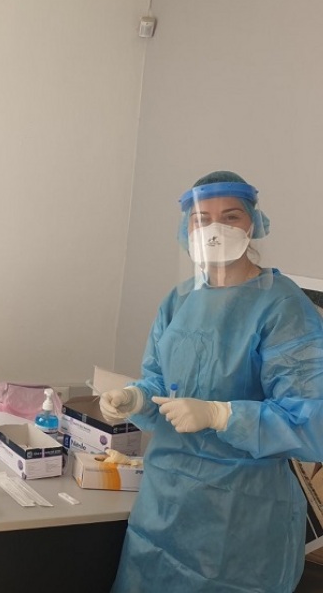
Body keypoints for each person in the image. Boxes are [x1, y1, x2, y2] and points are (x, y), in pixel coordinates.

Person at [100, 170, 323, 592]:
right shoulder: (179, 301)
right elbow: (161, 382)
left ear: (253, 223)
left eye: (231, 216)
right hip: (164, 504)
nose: (215, 228)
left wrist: (221, 415)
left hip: (239, 517)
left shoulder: (282, 306)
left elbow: (312, 420)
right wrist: (135, 398)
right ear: (186, 230)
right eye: (201, 219)